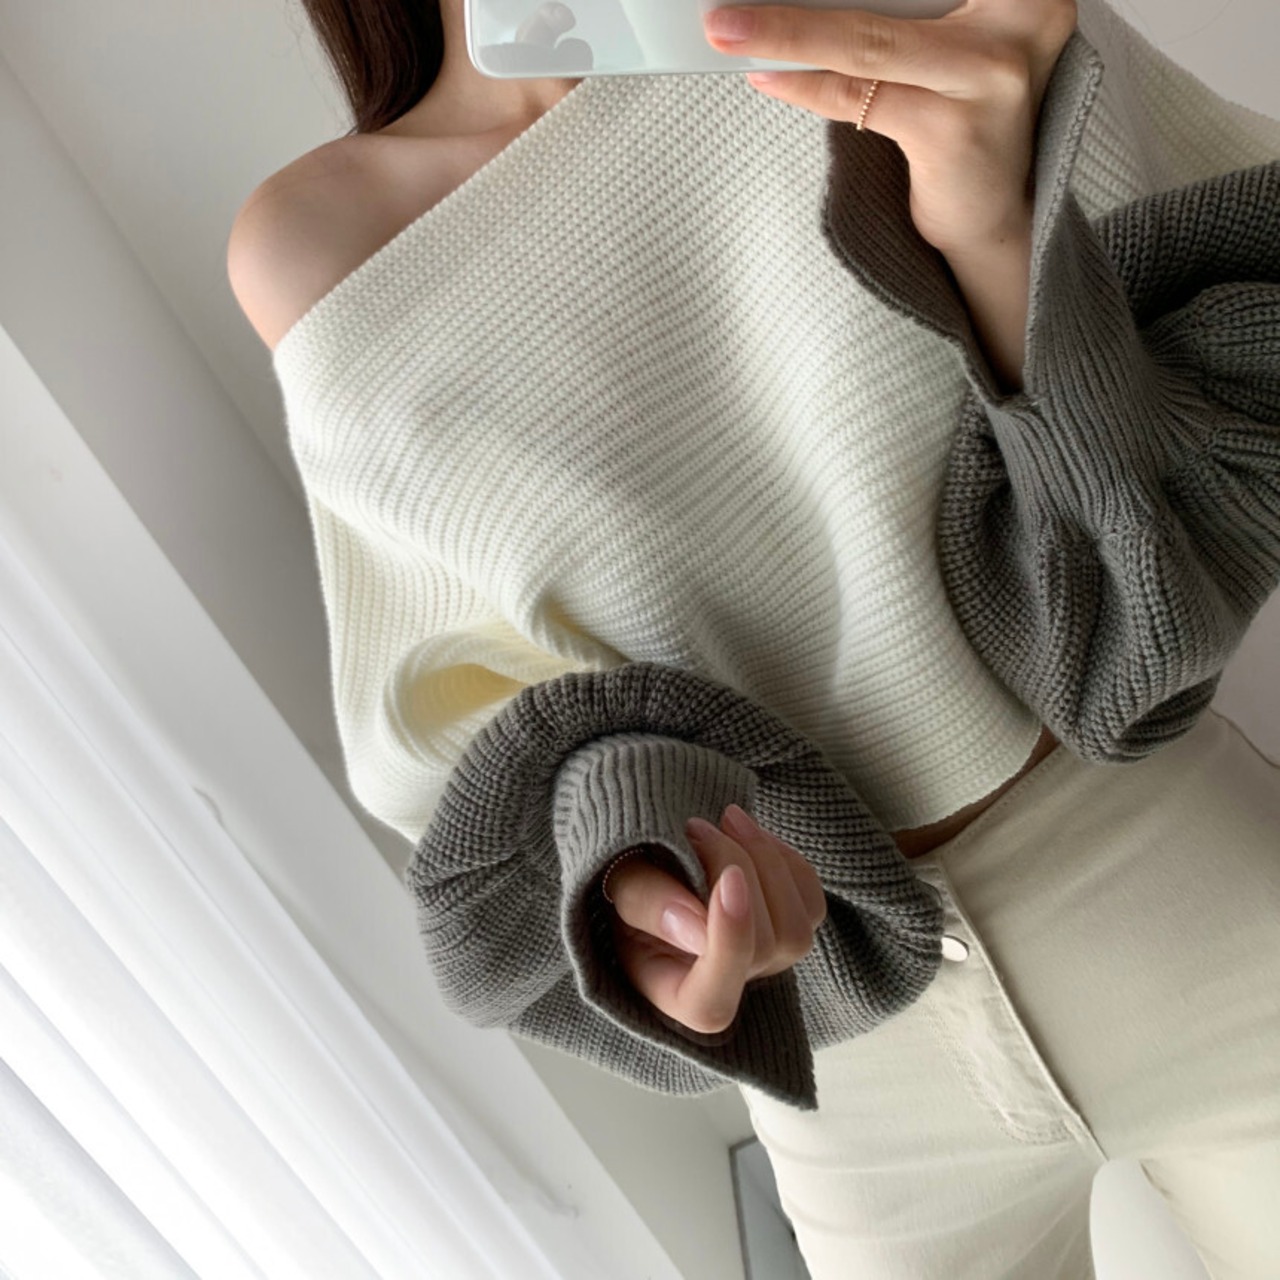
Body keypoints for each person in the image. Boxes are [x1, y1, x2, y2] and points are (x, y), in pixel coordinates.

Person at [227, 0, 1280, 1274]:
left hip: (1185, 893)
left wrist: (991, 232)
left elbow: (1171, 515)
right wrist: (636, 873)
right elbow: (482, 713)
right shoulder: (314, 242)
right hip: (851, 1075)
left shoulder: (868, 17)